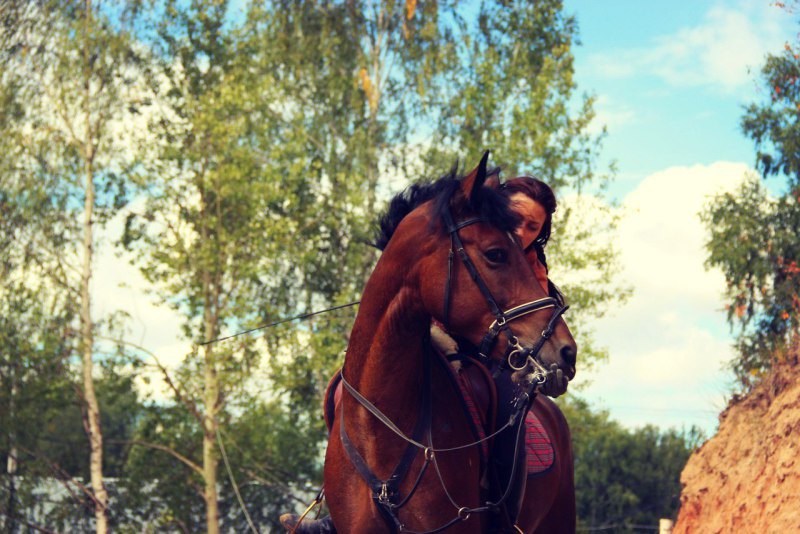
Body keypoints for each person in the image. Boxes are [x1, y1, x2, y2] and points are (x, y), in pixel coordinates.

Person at [281, 175, 560, 533]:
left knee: (508, 403)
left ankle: (502, 515)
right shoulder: (470, 238)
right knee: (343, 390)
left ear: (540, 232)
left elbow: (530, 320)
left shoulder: (530, 264)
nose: (520, 230)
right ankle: (338, 511)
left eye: (531, 226)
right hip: (434, 340)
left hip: (495, 356)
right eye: (515, 217)